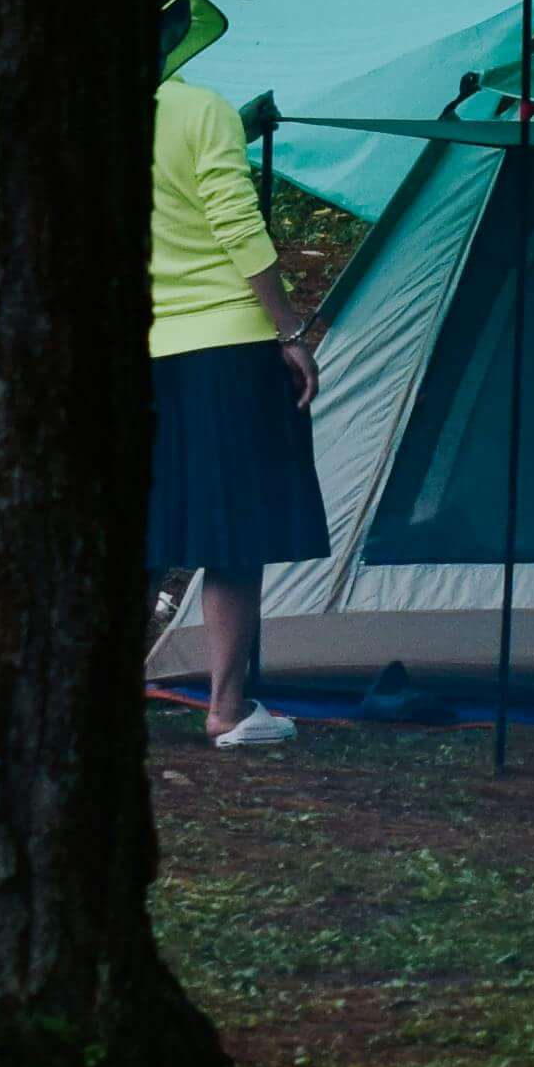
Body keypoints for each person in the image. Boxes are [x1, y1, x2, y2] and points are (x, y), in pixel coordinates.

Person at [144, 58, 327, 749]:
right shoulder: (199, 108)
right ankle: (226, 707)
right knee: (233, 535)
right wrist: (290, 329)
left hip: (141, 349)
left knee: (143, 533)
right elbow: (234, 221)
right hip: (228, 346)